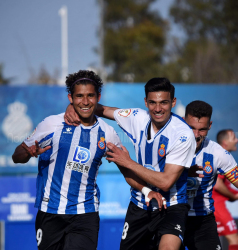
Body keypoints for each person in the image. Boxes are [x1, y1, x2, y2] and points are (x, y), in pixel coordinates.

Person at [65, 77, 196, 250]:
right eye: (152, 102)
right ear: (145, 102)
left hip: (171, 206)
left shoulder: (182, 134)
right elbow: (99, 109)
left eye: (163, 102)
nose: (158, 109)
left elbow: (166, 182)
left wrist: (127, 162)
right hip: (140, 205)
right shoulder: (137, 117)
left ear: (173, 102)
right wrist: (72, 107)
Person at [12, 70, 132, 250]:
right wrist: (29, 152)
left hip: (85, 214)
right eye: (79, 96)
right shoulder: (52, 123)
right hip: (50, 212)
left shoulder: (108, 133)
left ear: (98, 96)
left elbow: (127, 169)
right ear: (71, 98)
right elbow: (16, 156)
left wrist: (147, 191)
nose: (85, 102)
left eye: (90, 96)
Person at [182, 100, 238, 250]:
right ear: (183, 121)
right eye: (191, 128)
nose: (195, 135)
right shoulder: (167, 145)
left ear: (210, 126)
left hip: (203, 221)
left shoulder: (218, 153)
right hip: (173, 216)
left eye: (201, 129)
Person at [212, 129, 238, 250]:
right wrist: (233, 196)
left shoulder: (217, 154)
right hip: (217, 207)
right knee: (235, 239)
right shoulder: (222, 157)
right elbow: (217, 184)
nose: (237, 140)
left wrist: (236, 194)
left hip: (212, 205)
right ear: (225, 142)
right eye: (234, 138)